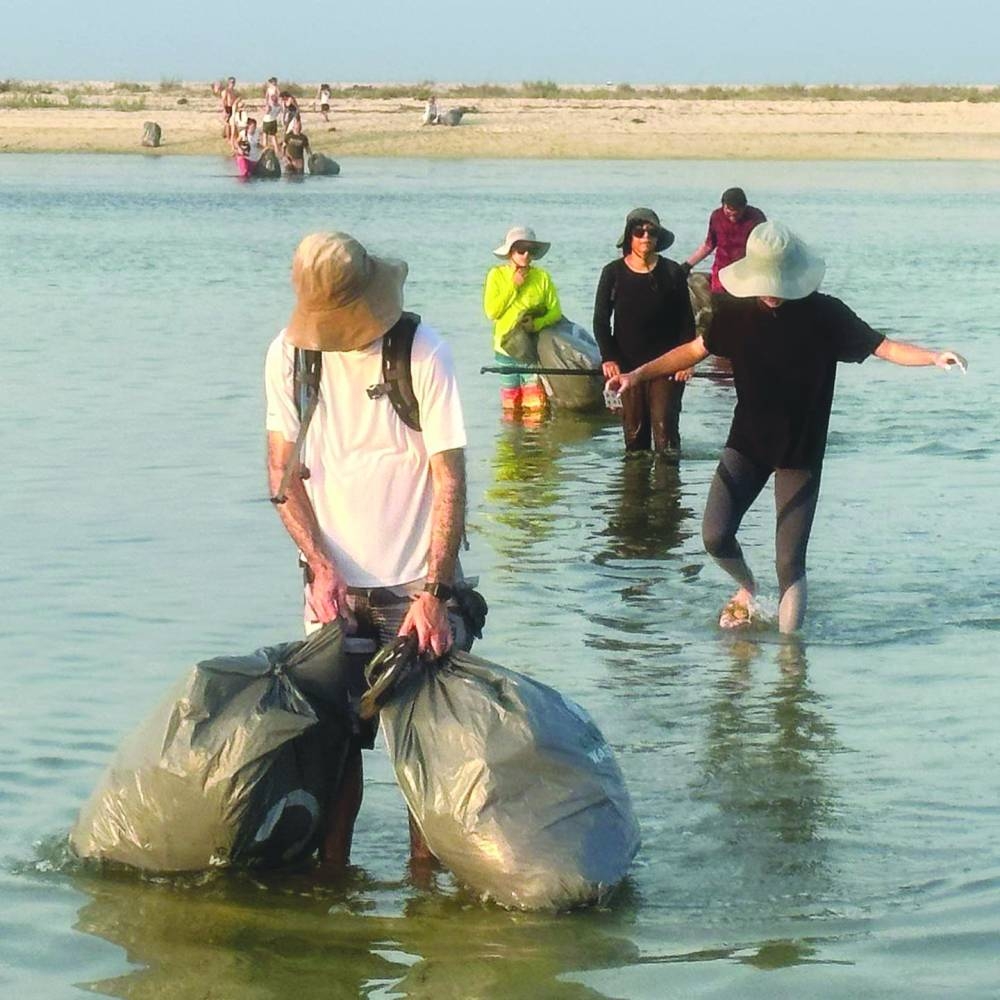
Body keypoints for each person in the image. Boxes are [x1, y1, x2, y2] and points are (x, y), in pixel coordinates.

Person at [605, 220, 968, 634]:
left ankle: (791, 668)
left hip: (801, 452)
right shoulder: (733, 313)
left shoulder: (826, 313)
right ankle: (746, 588)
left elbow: (883, 347)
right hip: (747, 445)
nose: (771, 289)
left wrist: (934, 357)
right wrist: (636, 375)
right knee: (714, 535)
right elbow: (693, 351)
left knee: (789, 563)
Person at [265, 232, 472, 868]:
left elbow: (451, 477)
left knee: (426, 761)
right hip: (335, 596)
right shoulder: (290, 357)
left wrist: (435, 593)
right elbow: (281, 476)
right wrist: (321, 568)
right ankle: (335, 884)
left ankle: (422, 886)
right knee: (335, 757)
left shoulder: (421, 350)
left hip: (416, 592)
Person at [593, 208, 695, 456]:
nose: (646, 237)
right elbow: (600, 321)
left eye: (652, 232)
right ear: (630, 237)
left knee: (665, 434)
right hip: (627, 366)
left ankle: (668, 491)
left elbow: (687, 321)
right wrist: (609, 357)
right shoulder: (612, 272)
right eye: (640, 232)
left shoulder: (673, 272)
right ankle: (633, 491)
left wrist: (687, 362)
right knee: (635, 437)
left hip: (668, 367)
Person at [483, 226, 562, 416]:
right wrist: (513, 286)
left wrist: (537, 324)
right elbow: (491, 312)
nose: (526, 255)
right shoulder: (496, 275)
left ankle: (533, 445)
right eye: (521, 250)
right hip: (505, 348)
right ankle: (510, 444)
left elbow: (556, 312)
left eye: (530, 250)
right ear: (510, 252)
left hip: (532, 350)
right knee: (510, 407)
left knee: (535, 406)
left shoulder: (542, 277)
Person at [683, 187, 766, 297]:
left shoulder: (756, 217)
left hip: (748, 271)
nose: (732, 214)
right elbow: (709, 245)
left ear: (744, 207)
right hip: (722, 272)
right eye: (728, 209)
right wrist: (687, 265)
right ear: (723, 205)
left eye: (736, 211)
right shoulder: (717, 216)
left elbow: (765, 247)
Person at [261, 77, 283, 153]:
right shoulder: (278, 106)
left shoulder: (275, 89)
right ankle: (277, 151)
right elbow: (268, 97)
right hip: (274, 120)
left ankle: (265, 151)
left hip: (267, 121)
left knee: (265, 136)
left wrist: (263, 108)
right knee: (274, 136)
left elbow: (267, 111)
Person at [220, 77, 237, 142]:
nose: (232, 83)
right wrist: (224, 110)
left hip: (233, 108)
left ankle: (228, 136)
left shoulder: (233, 91)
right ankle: (228, 138)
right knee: (227, 124)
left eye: (233, 82)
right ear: (228, 82)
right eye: (231, 82)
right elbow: (223, 101)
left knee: (231, 123)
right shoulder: (226, 91)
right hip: (227, 107)